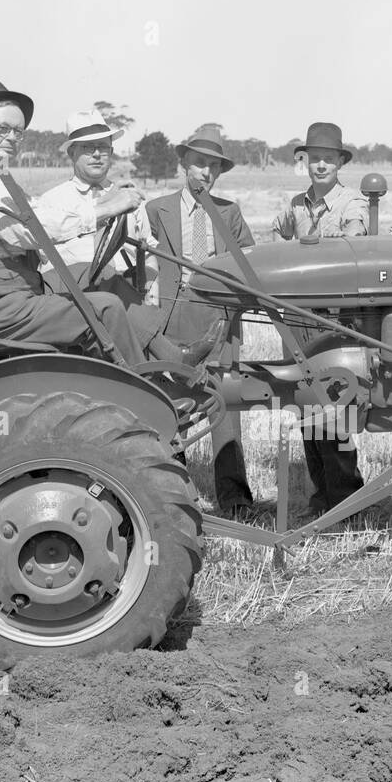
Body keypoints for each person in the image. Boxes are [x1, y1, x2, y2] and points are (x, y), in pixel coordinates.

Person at [0, 80, 210, 367]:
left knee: (95, 273)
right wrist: (108, 208)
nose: (12, 138)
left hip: (7, 291)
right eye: (4, 129)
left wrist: (105, 206)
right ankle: (149, 388)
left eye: (18, 132)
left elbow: (31, 216)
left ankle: (170, 356)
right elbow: (32, 229)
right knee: (106, 307)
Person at [145, 128, 257, 513]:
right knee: (169, 404)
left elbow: (250, 264)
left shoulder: (229, 212)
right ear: (183, 164)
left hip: (218, 320)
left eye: (213, 166)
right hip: (171, 320)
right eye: (199, 163)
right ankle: (173, 495)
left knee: (224, 402)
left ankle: (235, 498)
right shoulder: (155, 210)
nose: (206, 172)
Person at [271, 122, 367, 515]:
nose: (321, 165)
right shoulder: (295, 205)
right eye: (315, 159)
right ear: (305, 162)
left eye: (329, 158)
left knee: (334, 406)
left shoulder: (352, 204)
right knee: (303, 405)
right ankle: (320, 496)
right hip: (297, 316)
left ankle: (346, 496)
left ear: (340, 162)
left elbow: (351, 254)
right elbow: (275, 237)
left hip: (334, 317)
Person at [37, 109, 153, 291]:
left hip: (129, 295)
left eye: (103, 147)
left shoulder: (128, 196)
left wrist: (151, 292)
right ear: (71, 152)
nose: (97, 154)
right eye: (87, 147)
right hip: (74, 297)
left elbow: (148, 251)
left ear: (112, 151)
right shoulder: (52, 201)